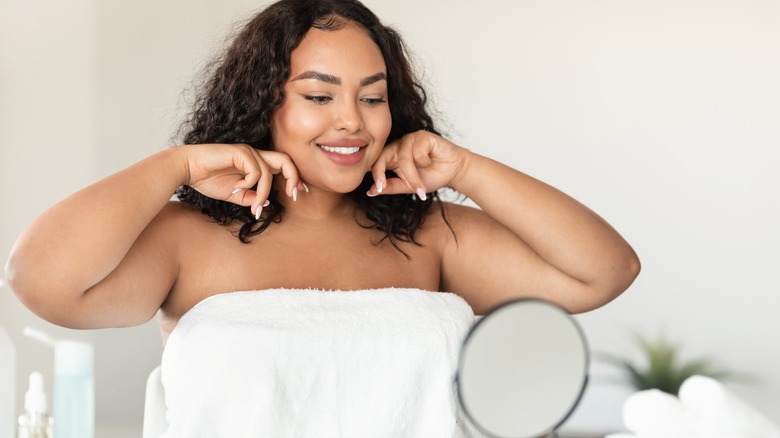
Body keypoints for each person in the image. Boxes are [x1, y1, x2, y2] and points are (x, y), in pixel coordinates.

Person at [5, 0, 640, 435]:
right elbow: (40, 281)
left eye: (372, 97)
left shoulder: (428, 235)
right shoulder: (187, 239)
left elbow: (604, 272)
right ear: (264, 103)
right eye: (318, 95)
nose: (351, 121)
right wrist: (173, 166)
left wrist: (467, 170)